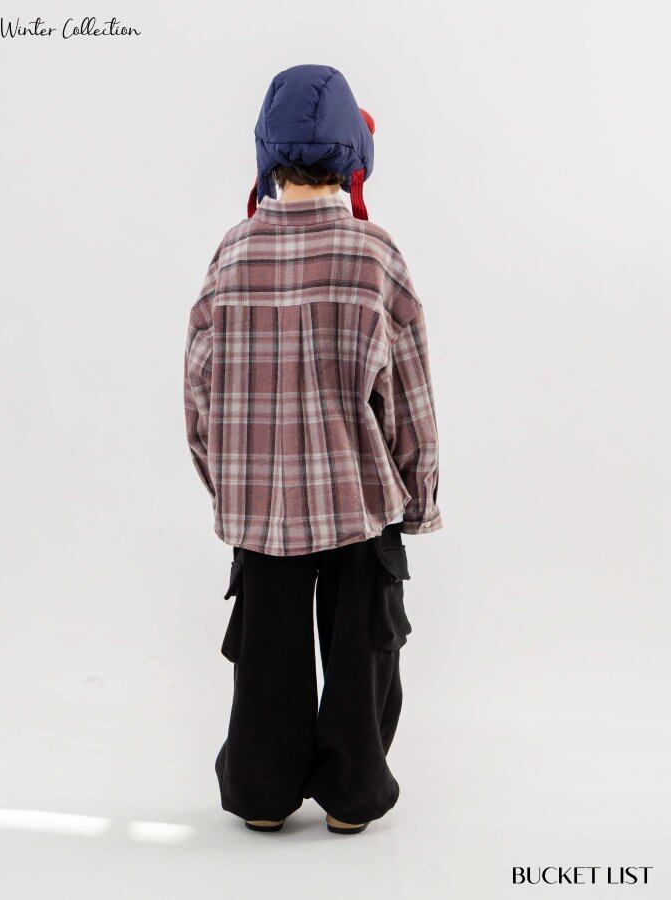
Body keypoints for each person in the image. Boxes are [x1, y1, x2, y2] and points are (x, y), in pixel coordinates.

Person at [184, 65, 442, 835]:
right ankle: (352, 797)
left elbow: (199, 397)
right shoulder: (374, 255)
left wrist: (228, 488)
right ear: (355, 152)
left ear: (266, 152)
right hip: (359, 501)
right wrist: (418, 496)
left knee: (267, 652)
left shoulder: (231, 255)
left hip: (260, 509)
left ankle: (261, 796)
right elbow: (410, 397)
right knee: (364, 650)